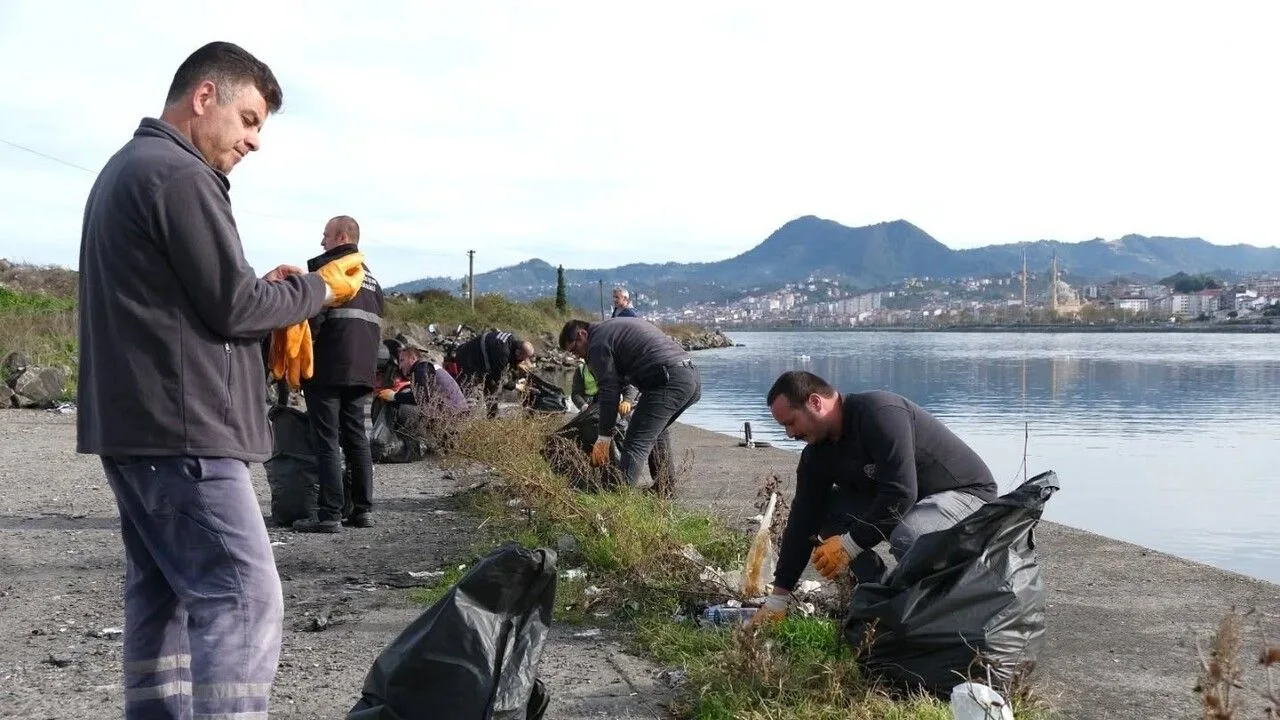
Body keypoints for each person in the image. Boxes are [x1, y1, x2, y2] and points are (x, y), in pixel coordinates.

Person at [76, 42, 367, 719]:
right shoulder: (179, 174)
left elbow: (201, 299)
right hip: (186, 431)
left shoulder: (128, 169)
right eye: (249, 119)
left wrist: (271, 293)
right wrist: (319, 289)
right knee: (243, 596)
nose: (255, 140)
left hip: (137, 427)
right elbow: (235, 307)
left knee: (163, 594)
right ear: (204, 96)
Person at [747, 371, 998, 628]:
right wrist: (777, 599)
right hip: (912, 504)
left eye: (791, 422)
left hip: (966, 496)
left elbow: (901, 492)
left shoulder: (879, 413)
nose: (789, 434)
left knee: (909, 536)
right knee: (823, 511)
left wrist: (849, 544)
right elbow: (803, 518)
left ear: (815, 402)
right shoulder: (817, 454)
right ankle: (880, 597)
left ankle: (944, 611)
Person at [294, 216, 384, 533]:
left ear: (342, 237)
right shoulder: (372, 281)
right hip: (362, 372)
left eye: (326, 235)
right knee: (357, 437)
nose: (322, 242)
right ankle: (362, 510)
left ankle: (329, 514)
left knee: (327, 440)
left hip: (328, 368)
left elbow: (312, 322)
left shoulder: (331, 273)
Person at [558, 317, 701, 493]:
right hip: (690, 376)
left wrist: (603, 438)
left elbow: (609, 393)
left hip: (669, 379)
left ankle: (619, 500)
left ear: (582, 334)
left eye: (574, 349)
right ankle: (664, 489)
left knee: (635, 442)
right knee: (656, 432)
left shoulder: (597, 344)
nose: (576, 356)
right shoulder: (610, 331)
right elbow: (622, 380)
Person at [451, 329, 536, 416]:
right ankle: (462, 417)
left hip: (478, 354)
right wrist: (518, 386)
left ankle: (492, 415)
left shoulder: (511, 340)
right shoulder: (503, 355)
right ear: (518, 352)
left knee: (491, 386)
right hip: (468, 360)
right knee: (470, 398)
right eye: (523, 358)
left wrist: (517, 364)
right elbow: (501, 380)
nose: (524, 361)